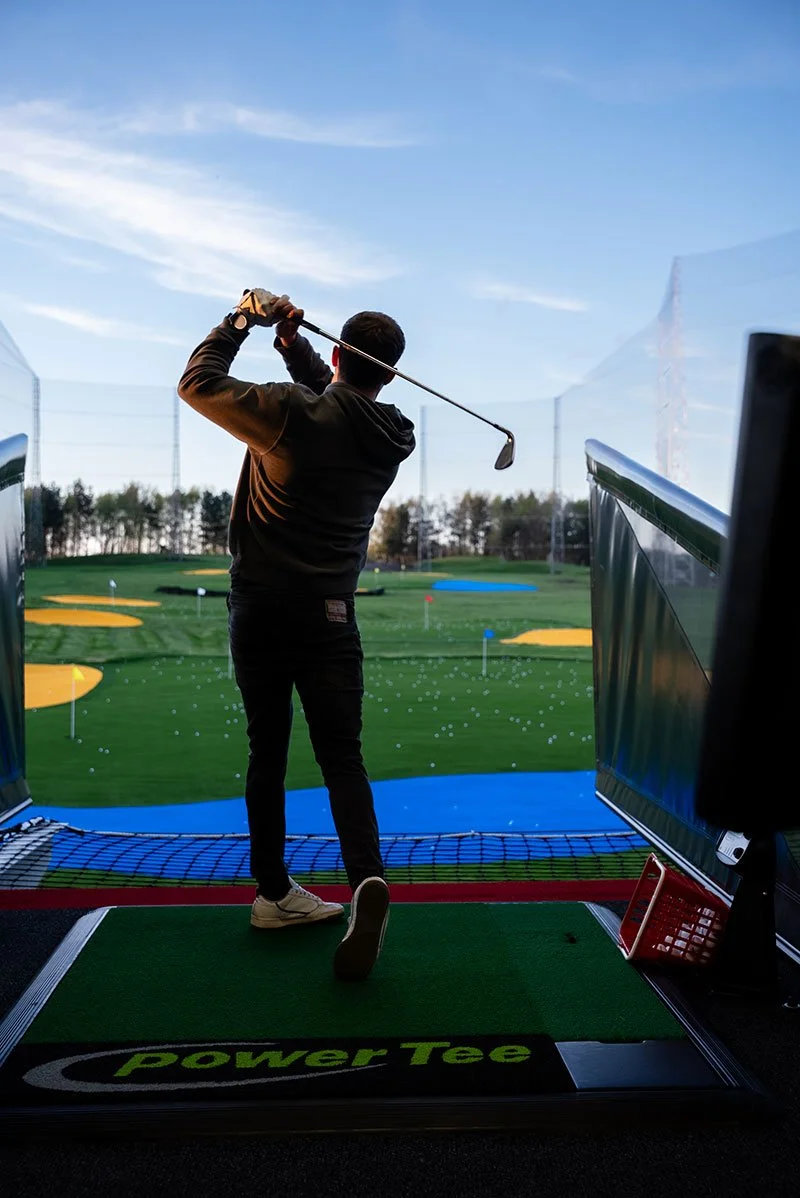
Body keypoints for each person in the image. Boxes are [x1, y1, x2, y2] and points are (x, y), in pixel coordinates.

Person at [177, 289, 415, 981]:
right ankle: (365, 878)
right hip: (331, 616)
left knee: (268, 752)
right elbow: (345, 401)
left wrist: (241, 322)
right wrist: (291, 343)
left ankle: (274, 892)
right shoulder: (394, 432)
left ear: (340, 354)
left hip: (260, 609)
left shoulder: (287, 411)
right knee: (343, 756)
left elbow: (198, 382)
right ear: (390, 375)